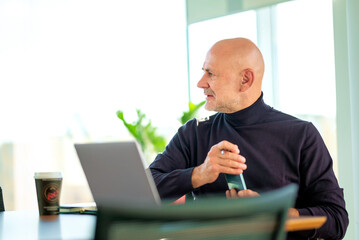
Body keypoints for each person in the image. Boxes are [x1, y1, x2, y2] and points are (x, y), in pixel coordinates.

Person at [149, 37, 348, 239]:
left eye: (211, 74)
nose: (201, 83)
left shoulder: (301, 135)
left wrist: (275, 214)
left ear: (245, 80)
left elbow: (336, 219)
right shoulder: (193, 133)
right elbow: (145, 189)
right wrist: (200, 174)